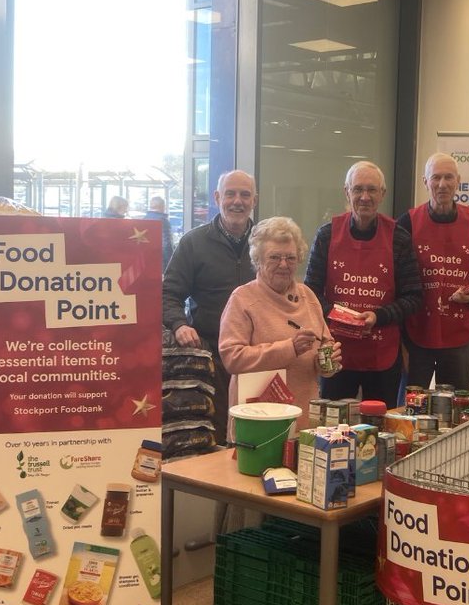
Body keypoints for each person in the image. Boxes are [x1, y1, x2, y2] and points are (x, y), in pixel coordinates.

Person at [304, 161, 422, 403]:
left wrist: (378, 316)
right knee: (332, 429)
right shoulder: (326, 235)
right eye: (358, 189)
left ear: (382, 194)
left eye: (371, 190)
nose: (364, 197)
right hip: (335, 352)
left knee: (379, 430)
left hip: (382, 354)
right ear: (347, 192)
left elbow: (413, 297)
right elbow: (310, 294)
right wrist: (340, 317)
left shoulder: (399, 237)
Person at [162, 170, 257, 443]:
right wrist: (179, 324)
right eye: (230, 194)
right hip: (211, 357)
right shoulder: (194, 242)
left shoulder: (265, 243)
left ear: (254, 200)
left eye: (245, 194)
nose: (237, 201)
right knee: (215, 432)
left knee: (254, 430)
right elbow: (169, 293)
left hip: (258, 357)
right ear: (217, 197)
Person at [218, 218, 342, 416]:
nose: (283, 265)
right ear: (258, 260)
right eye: (274, 257)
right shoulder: (242, 299)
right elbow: (232, 359)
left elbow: (325, 347)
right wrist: (289, 348)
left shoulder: (308, 296)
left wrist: (328, 362)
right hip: (258, 418)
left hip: (304, 415)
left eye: (290, 258)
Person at [397, 153, 469, 392]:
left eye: (448, 177)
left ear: (458, 181)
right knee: (409, 408)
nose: (442, 184)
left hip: (459, 335)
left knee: (455, 408)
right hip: (415, 334)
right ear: (425, 182)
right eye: (436, 178)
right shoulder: (406, 222)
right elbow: (397, 282)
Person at [143, 195, 175, 270]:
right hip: (161, 261)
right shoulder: (163, 221)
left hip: (148, 260)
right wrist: (171, 262)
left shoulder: (144, 219)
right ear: (163, 206)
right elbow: (166, 243)